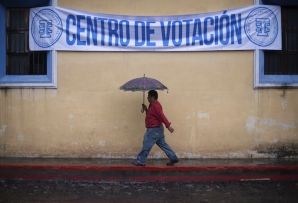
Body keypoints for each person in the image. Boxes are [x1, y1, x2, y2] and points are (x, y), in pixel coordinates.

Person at [132, 90, 179, 166]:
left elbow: (161, 116)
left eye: (148, 96)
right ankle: (173, 157)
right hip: (158, 129)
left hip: (153, 130)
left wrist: (168, 126)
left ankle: (140, 161)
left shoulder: (155, 105)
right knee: (163, 144)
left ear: (152, 97)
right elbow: (153, 115)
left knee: (146, 144)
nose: (147, 98)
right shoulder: (152, 105)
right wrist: (146, 109)